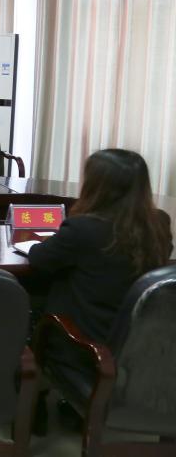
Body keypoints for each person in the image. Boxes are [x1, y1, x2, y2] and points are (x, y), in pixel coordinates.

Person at [29, 149, 172, 373]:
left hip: (87, 348)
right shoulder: (159, 224)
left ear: (97, 186)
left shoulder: (83, 228)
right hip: (136, 348)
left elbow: (39, 259)